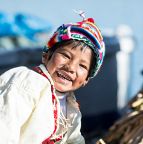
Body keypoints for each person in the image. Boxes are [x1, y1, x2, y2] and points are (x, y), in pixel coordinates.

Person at [0, 16, 105, 144]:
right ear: (46, 55)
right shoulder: (28, 82)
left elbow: (74, 141)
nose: (71, 67)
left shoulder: (71, 109)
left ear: (86, 79)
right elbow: (5, 127)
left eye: (82, 66)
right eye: (66, 55)